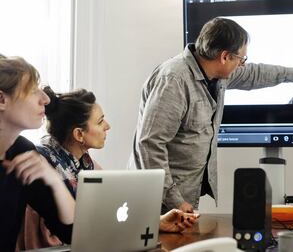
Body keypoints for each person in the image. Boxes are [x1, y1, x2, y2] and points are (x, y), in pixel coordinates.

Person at [131, 17, 293, 213]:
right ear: (225, 57)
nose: (242, 65)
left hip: (182, 200)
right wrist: (175, 200)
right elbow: (149, 145)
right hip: (158, 204)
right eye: (241, 59)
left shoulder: (215, 74)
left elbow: (255, 74)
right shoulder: (174, 80)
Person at [22, 86, 199, 249]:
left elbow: (108, 211)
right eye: (100, 122)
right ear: (79, 134)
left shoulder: (84, 161)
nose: (107, 126)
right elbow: (71, 231)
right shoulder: (42, 165)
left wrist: (155, 222)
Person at [0, 55, 75, 252]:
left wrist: (55, 181)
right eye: (33, 90)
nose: (46, 99)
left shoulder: (23, 153)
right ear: (1, 99)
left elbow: (71, 231)